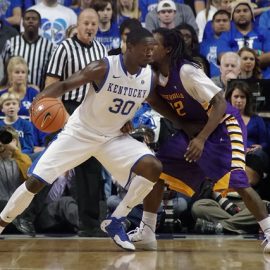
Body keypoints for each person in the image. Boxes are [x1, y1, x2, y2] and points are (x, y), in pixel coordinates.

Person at [0, 27, 177, 252]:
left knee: (153, 167)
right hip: (80, 133)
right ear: (129, 47)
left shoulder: (148, 77)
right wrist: (41, 99)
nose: (150, 54)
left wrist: (184, 125)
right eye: (146, 49)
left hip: (112, 138)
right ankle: (1, 223)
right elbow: (64, 86)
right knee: (36, 181)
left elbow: (148, 101)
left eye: (153, 49)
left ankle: (116, 221)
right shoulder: (104, 66)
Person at [127, 28, 270, 253]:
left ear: (167, 49)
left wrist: (201, 139)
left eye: (153, 43)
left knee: (237, 181)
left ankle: (269, 231)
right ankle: (147, 231)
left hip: (223, 125)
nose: (148, 46)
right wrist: (184, 126)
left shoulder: (186, 71)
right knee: (158, 171)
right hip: (195, 128)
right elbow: (153, 100)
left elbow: (221, 103)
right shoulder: (153, 74)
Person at [45, 8, 107, 238]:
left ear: (97, 27)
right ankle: (28, 215)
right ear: (78, 25)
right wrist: (62, 117)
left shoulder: (101, 50)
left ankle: (90, 224)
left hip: (93, 112)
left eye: (93, 24)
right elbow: (51, 84)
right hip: (69, 110)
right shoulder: (63, 48)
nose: (89, 27)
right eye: (86, 23)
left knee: (92, 169)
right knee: (60, 167)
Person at [225, 80, 269, 187]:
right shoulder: (223, 119)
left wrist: (260, 146)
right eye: (236, 96)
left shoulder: (257, 119)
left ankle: (244, 181)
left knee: (259, 154)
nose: (239, 100)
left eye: (242, 97)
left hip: (253, 154)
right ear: (230, 98)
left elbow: (265, 142)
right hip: (232, 153)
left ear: (247, 100)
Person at [3, 9, 55, 90]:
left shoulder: (49, 46)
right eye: (27, 19)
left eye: (34, 19)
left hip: (39, 93)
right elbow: (5, 69)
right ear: (22, 23)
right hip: (13, 94)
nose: (30, 21)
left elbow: (51, 73)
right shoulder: (11, 43)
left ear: (40, 23)